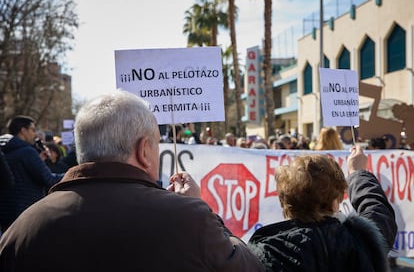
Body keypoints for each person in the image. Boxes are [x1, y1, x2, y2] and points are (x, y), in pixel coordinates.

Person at [0, 91, 265, 272]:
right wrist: (202, 210)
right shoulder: (190, 219)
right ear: (144, 149)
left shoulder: (21, 229)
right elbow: (250, 267)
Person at [247, 145, 397, 271]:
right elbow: (378, 210)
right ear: (337, 198)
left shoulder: (266, 251)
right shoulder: (361, 240)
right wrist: (357, 173)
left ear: (285, 201)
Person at [0, 116, 64, 232]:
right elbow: (49, 180)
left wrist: (39, 161)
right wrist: (72, 173)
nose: (35, 135)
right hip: (26, 215)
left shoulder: (4, 149)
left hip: (5, 215)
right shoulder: (27, 152)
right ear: (23, 131)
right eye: (33, 130)